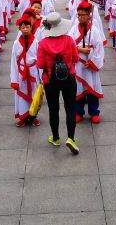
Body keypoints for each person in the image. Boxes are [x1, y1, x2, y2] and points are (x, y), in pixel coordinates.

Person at [35, 12, 80, 154]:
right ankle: (71, 138)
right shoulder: (69, 40)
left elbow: (40, 64)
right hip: (69, 78)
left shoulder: (42, 44)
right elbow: (76, 58)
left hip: (50, 80)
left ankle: (55, 137)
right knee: (70, 107)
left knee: (53, 109)